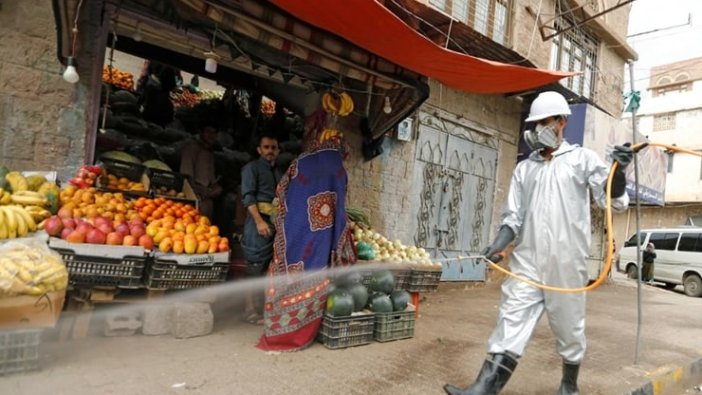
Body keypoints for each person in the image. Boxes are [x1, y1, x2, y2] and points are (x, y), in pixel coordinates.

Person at [444, 91, 634, 395]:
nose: (537, 130)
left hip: (566, 264)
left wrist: (619, 171)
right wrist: (498, 244)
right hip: (527, 264)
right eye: (534, 124)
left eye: (544, 122)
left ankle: (569, 386)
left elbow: (614, 199)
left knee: (569, 330)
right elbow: (513, 217)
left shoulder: (581, 160)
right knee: (510, 320)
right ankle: (483, 388)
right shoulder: (525, 169)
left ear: (562, 122)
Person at [257, 110, 355, 351]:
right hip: (321, 241)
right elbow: (340, 213)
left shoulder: (298, 164)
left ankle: (275, 330)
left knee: (284, 277)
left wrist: (287, 225)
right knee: (314, 279)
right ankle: (300, 334)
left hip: (294, 234)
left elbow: (280, 198)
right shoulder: (339, 171)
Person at [240, 134, 282, 324]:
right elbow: (248, 198)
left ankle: (263, 308)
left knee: (268, 268)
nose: (270, 151)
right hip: (258, 223)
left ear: (278, 151)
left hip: (275, 223)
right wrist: (259, 222)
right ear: (259, 150)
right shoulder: (251, 169)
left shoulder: (280, 173)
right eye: (266, 147)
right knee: (254, 266)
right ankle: (249, 310)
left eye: (273, 147)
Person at [180, 124, 222, 218]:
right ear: (201, 132)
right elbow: (186, 177)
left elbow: (211, 180)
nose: (211, 135)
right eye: (208, 132)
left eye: (214, 133)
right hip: (195, 199)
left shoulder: (210, 153)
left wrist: (216, 188)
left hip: (207, 200)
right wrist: (199, 192)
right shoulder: (191, 149)